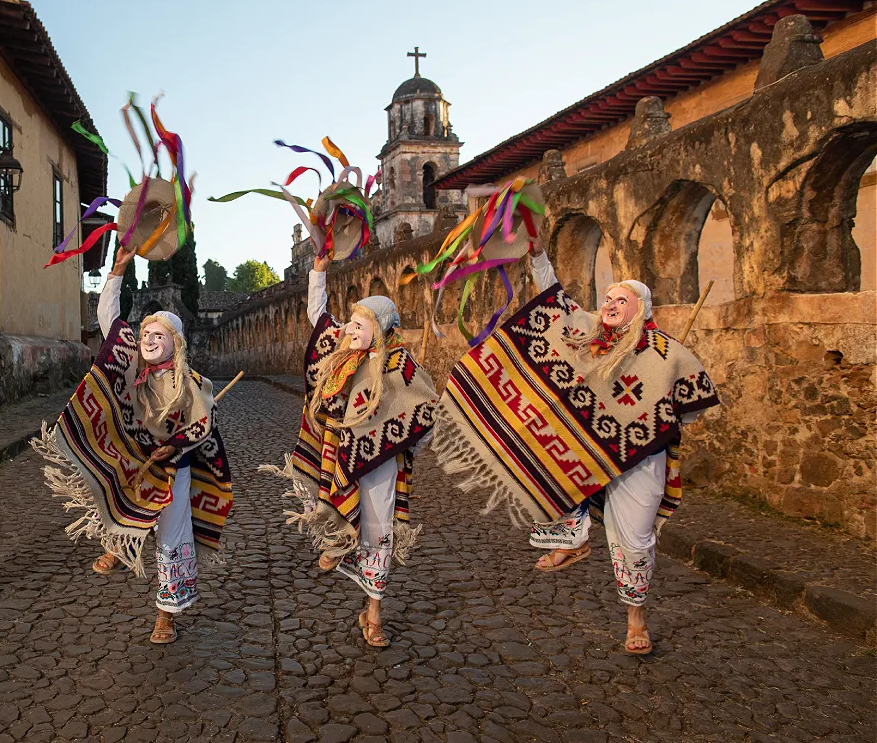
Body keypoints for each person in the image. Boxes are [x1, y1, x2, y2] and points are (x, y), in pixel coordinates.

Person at [431, 238, 719, 655]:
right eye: (608, 297)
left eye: (623, 298)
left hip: (640, 459)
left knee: (634, 541)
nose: (611, 302)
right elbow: (555, 302)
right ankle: (574, 538)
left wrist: (655, 407)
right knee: (547, 452)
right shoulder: (589, 334)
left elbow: (690, 409)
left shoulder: (667, 354)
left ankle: (636, 616)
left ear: (642, 309)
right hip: (589, 450)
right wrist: (538, 255)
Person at [34, 245, 233, 644]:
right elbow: (110, 321)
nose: (149, 340)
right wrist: (118, 269)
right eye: (146, 333)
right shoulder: (130, 365)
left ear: (175, 343)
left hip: (172, 469)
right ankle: (118, 543)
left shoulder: (191, 384)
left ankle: (166, 614)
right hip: (133, 459)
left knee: (172, 537)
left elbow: (202, 426)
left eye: (158, 335)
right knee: (109, 486)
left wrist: (174, 445)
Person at [265, 253, 436, 647]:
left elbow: (425, 413)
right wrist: (319, 271)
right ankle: (337, 540)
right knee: (332, 504)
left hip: (380, 465)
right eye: (350, 323)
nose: (349, 329)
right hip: (339, 457)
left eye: (359, 324)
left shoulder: (400, 366)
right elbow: (317, 316)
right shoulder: (341, 357)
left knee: (379, 535)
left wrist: (406, 443)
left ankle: (373, 613)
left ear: (379, 329)